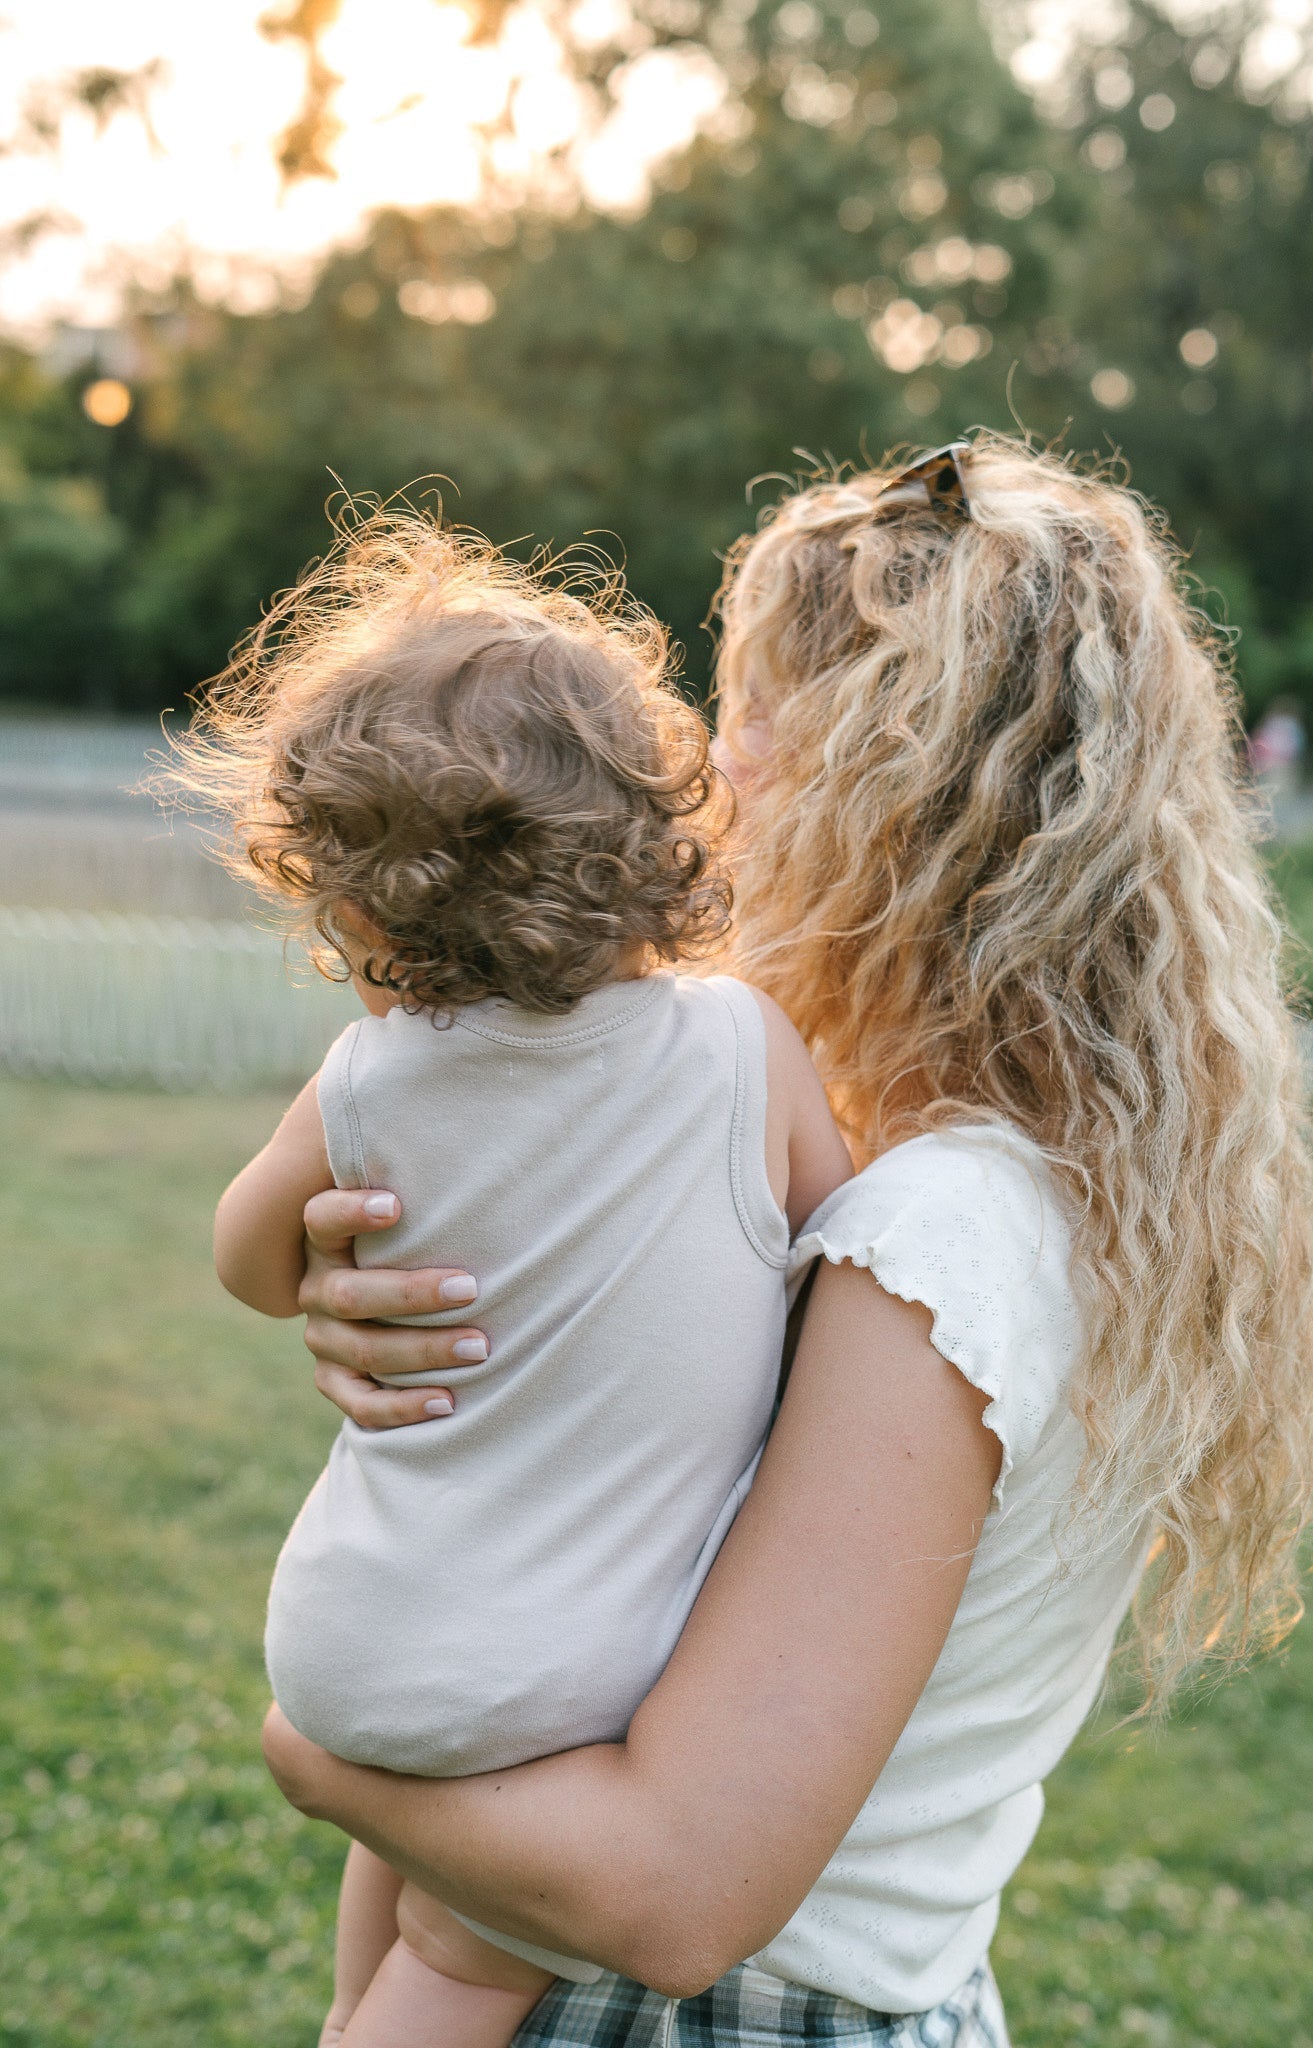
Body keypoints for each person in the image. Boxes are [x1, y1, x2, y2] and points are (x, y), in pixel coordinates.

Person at [261, 439, 1313, 2048]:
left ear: (883, 776)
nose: (710, 764)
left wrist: (311, 1752)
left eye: (757, 710)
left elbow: (673, 1894)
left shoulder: (933, 1234)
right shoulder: (1019, 1174)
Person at [178, 519, 850, 2048]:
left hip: (356, 1630)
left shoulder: (372, 1077)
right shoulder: (737, 1047)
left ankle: (347, 2016)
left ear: (362, 899)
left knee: (406, 1879)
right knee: (464, 1966)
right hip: (559, 1672)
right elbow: (835, 1240)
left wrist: (315, 1256)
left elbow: (245, 1256)